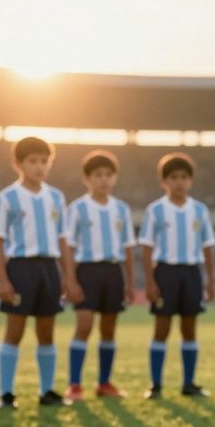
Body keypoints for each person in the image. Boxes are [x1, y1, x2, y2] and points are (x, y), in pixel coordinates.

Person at [0, 137, 77, 408]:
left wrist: (69, 276)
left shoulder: (56, 197)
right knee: (15, 331)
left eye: (44, 161)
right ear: (18, 164)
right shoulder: (7, 197)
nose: (39, 167)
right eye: (33, 161)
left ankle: (47, 391)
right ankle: (6, 393)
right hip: (20, 268)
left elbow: (63, 240)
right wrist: (3, 279)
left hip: (48, 268)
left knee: (46, 331)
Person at [138, 153, 215, 399]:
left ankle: (189, 383)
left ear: (190, 181)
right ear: (164, 181)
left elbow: (208, 247)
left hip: (191, 273)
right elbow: (147, 248)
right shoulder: (156, 210)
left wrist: (211, 280)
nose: (179, 183)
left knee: (189, 329)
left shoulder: (200, 210)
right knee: (161, 328)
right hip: (165, 273)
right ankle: (156, 385)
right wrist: (150, 282)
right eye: (173, 178)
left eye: (183, 177)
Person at [63, 150, 136, 401]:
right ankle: (74, 385)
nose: (103, 180)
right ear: (87, 179)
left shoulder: (122, 209)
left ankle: (104, 383)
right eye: (98, 175)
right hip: (87, 271)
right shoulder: (77, 208)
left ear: (114, 178)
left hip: (113, 272)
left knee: (109, 330)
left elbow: (128, 248)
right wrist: (70, 280)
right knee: (83, 327)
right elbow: (69, 246)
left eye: (108, 175)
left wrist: (129, 283)